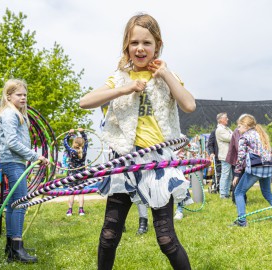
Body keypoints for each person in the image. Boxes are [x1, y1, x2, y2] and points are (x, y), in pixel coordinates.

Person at [79, 13, 195, 269]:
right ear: (126, 46)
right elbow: (84, 102)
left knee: (166, 239)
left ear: (157, 46)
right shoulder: (119, 79)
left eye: (147, 43)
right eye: (134, 43)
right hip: (125, 161)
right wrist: (124, 89)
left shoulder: (166, 77)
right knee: (110, 234)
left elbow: (189, 104)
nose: (140, 48)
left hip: (158, 164)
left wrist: (166, 75)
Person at [0, 79, 49, 263]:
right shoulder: (11, 115)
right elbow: (12, 142)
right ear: (9, 96)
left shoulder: (17, 114)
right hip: (13, 162)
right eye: (19, 95)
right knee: (21, 203)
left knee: (14, 203)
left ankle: (11, 247)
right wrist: (35, 156)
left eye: (25, 95)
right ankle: (17, 247)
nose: (23, 98)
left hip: (15, 161)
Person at [231, 114, 272, 226]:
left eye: (239, 126)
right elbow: (270, 154)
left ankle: (241, 221)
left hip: (255, 168)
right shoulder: (261, 135)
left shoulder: (244, 137)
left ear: (246, 126)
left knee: (238, 192)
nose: (238, 129)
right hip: (267, 168)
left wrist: (237, 174)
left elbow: (241, 157)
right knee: (268, 193)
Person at [63, 128, 88, 216]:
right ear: (83, 144)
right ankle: (81, 210)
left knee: (72, 192)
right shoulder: (84, 151)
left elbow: (65, 142)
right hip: (81, 174)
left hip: (72, 175)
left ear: (74, 143)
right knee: (80, 192)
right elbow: (86, 140)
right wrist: (82, 132)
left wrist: (69, 134)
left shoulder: (71, 151)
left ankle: (70, 210)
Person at [216, 112, 233, 199]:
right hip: (225, 155)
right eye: (225, 118)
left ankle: (226, 193)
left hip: (229, 155)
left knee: (229, 175)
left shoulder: (226, 128)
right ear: (220, 120)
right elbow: (230, 138)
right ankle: (222, 194)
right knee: (225, 174)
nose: (227, 119)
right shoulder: (220, 130)